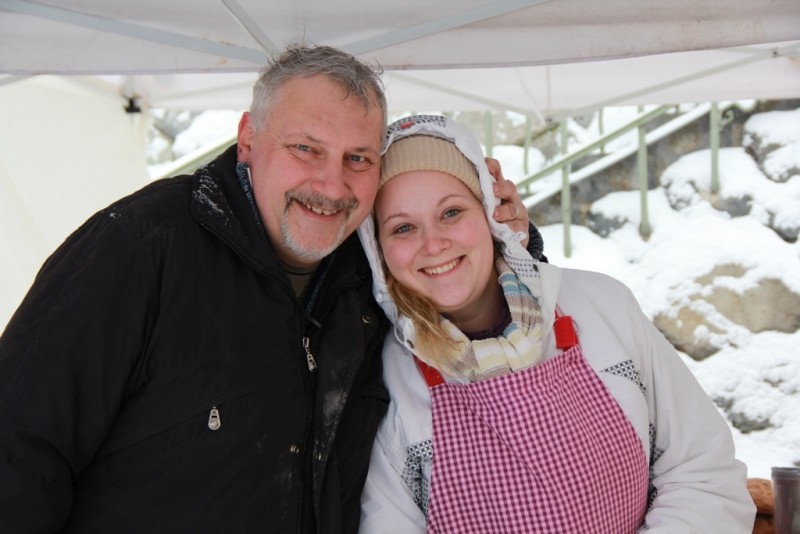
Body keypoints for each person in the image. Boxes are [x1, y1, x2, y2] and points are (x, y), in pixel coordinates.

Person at [0, 47, 530, 533]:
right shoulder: (138, 248)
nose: (331, 185)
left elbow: (473, 313)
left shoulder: (371, 269)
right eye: (306, 149)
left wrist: (504, 238)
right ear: (249, 138)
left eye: (358, 159)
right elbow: (19, 449)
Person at [357, 115, 756, 533]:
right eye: (403, 227)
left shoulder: (603, 306)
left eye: (452, 212)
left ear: (491, 215)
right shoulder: (384, 381)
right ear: (378, 251)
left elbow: (702, 472)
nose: (433, 243)